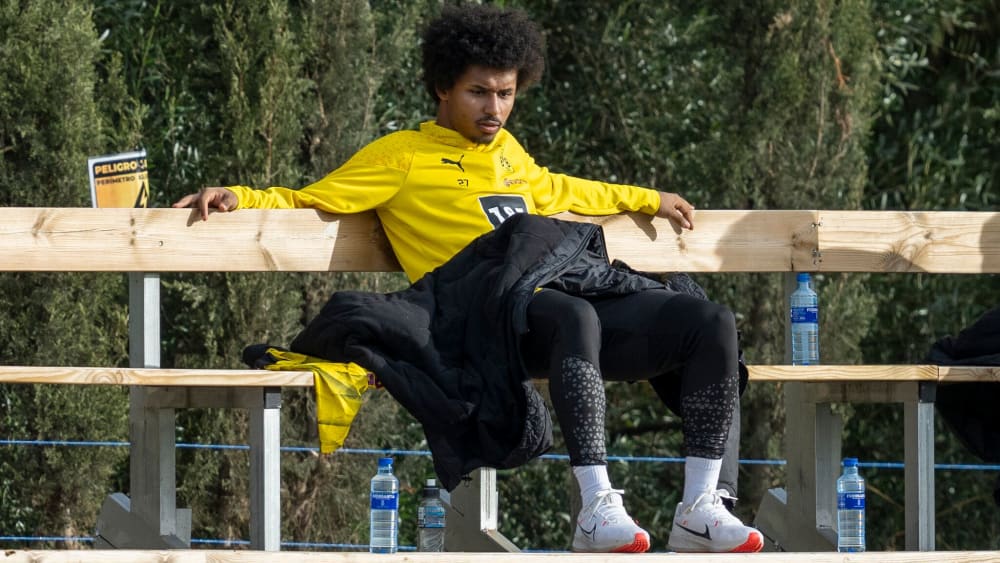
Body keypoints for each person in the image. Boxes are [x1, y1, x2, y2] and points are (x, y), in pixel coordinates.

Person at [174, 4, 762, 554]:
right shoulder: (402, 156)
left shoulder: (508, 153)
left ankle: (700, 508)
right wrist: (239, 197)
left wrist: (648, 198)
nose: (494, 109)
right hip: (478, 319)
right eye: (478, 92)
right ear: (442, 88)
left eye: (506, 93)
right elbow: (310, 198)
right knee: (574, 314)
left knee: (707, 320)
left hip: (547, 300)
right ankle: (595, 506)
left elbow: (562, 188)